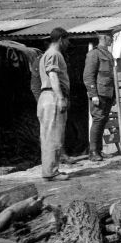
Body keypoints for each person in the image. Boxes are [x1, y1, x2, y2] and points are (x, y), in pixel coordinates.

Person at [37, 27, 71, 181]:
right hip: (52, 96)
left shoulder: (47, 54)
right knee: (53, 137)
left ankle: (50, 170)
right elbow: (53, 75)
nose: (68, 43)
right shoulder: (54, 54)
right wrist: (61, 98)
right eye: (67, 40)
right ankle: (51, 173)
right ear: (60, 39)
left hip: (46, 97)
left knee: (48, 136)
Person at [83, 31, 116, 162]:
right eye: (110, 37)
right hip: (99, 94)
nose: (112, 39)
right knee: (98, 120)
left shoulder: (108, 54)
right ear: (103, 38)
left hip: (107, 93)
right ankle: (93, 151)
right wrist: (93, 95)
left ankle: (99, 150)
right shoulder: (94, 54)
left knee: (102, 121)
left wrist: (112, 95)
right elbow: (88, 76)